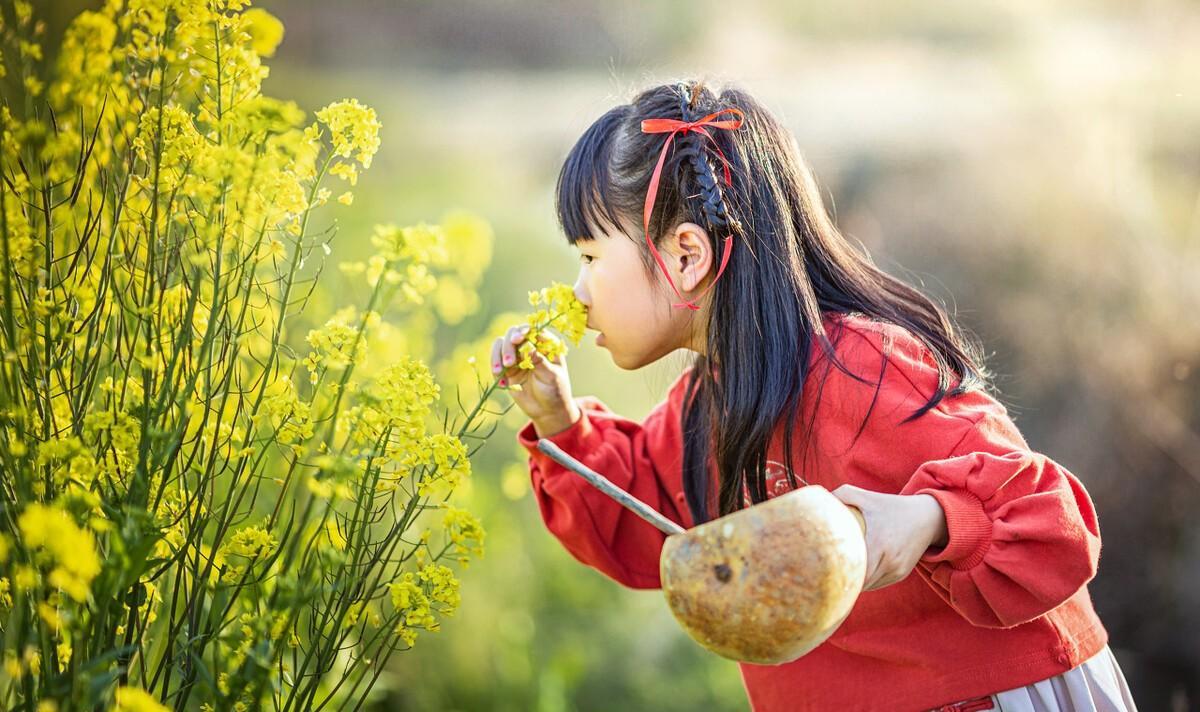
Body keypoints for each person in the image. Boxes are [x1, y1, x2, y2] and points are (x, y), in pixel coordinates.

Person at [490, 80, 1138, 711]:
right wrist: (559, 419)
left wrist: (929, 519)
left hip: (987, 695)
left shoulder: (861, 368)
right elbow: (645, 528)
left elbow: (1056, 524)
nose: (577, 291)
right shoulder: (705, 406)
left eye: (589, 256)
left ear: (686, 254)